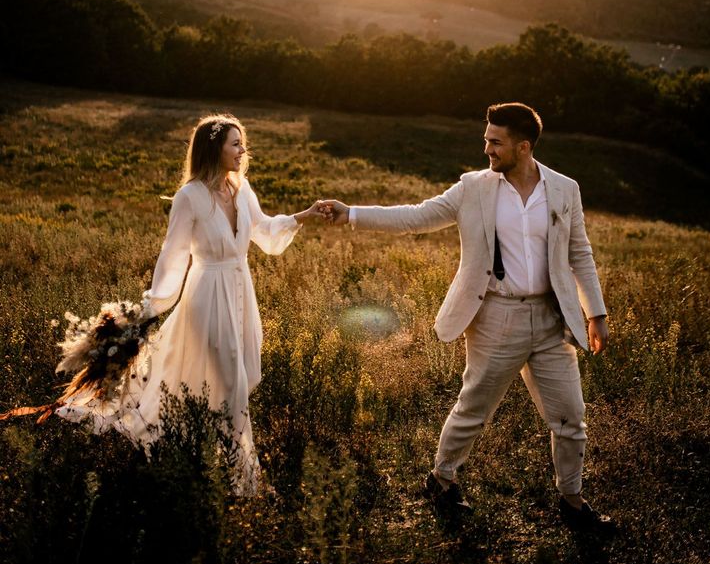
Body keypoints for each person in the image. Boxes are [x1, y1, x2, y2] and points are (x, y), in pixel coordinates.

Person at [319, 102, 613, 532]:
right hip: (495, 314)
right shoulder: (473, 188)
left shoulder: (564, 190)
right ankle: (441, 479)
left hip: (552, 321)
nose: (487, 149)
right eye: (486, 139)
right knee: (474, 408)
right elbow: (416, 217)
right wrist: (352, 214)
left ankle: (572, 500)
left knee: (571, 419)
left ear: (524, 146)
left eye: (496, 142)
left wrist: (596, 313)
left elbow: (579, 253)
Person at [55, 112, 324, 495]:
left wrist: (304, 215)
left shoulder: (240, 188)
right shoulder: (189, 197)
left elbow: (264, 230)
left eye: (241, 143)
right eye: (235, 143)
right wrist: (148, 309)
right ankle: (240, 482)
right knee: (229, 381)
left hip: (240, 290)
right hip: (206, 296)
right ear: (215, 148)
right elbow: (174, 256)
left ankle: (196, 455)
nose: (242, 150)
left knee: (228, 379)